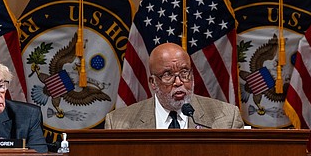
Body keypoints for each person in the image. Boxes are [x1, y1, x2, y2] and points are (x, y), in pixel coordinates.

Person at [105, 42, 244, 129]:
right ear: (153, 82)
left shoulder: (227, 118)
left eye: (184, 73)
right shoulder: (119, 124)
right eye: (168, 75)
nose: (178, 82)